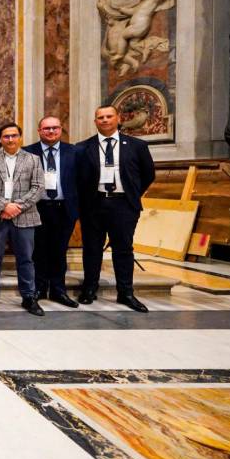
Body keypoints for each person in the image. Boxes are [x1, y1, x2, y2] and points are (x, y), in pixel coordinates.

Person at [76, 105, 155, 313]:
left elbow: (148, 175)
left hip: (123, 205)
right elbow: (79, 179)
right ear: (95, 122)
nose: (104, 120)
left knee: (123, 249)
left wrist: (131, 194)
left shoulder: (137, 146)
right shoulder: (83, 147)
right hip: (94, 204)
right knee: (92, 249)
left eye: (109, 116)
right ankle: (89, 289)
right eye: (100, 117)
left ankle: (126, 293)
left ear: (118, 118)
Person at [0, 123, 45, 316]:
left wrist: (17, 207)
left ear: (20, 137)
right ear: (0, 139)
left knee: (26, 259)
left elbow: (38, 187)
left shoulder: (33, 159)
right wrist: (4, 206)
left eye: (14, 136)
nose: (10, 139)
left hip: (24, 216)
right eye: (6, 136)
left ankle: (28, 296)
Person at [24, 117, 80, 308]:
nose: (51, 131)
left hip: (64, 208)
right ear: (39, 130)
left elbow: (84, 180)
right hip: (37, 208)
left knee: (59, 250)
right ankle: (39, 287)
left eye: (55, 127)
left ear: (61, 129)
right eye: (46, 128)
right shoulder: (27, 152)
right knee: (38, 250)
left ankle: (58, 289)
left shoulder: (74, 152)